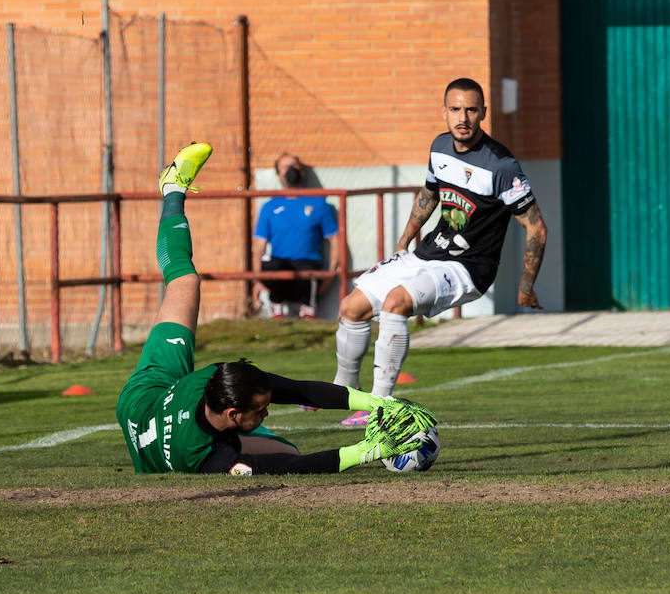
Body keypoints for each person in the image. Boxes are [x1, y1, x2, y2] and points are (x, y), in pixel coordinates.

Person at [115, 142, 434, 474]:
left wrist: (379, 403)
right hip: (170, 447)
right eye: (261, 410)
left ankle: (172, 189)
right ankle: (171, 188)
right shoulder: (208, 459)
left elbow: (301, 391)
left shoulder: (219, 378)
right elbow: (289, 467)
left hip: (144, 395)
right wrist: (369, 451)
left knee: (185, 282)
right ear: (232, 414)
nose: (268, 411)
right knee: (284, 451)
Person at [332, 77, 548, 425]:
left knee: (395, 303)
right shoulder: (439, 147)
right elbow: (430, 194)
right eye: (455, 109)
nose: (463, 117)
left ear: (483, 114)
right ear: (444, 112)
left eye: (471, 110)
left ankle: (379, 405)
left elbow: (536, 226)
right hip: (428, 253)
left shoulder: (502, 165)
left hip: (468, 268)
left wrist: (526, 285)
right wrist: (405, 240)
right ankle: (341, 391)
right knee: (351, 306)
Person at [252, 153, 341, 319]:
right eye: (286, 167)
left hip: (308, 267)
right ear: (279, 175)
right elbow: (259, 248)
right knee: (272, 264)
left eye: (294, 166)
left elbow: (335, 241)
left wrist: (330, 274)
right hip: (280, 268)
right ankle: (276, 308)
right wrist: (257, 280)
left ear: (302, 171)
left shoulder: (319, 204)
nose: (291, 170)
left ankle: (308, 309)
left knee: (307, 268)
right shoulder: (270, 207)